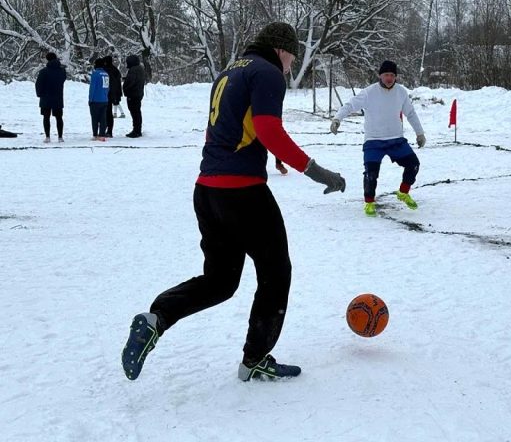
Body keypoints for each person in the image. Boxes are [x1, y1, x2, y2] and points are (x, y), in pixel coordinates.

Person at [121, 22, 346, 382]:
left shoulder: (230, 72)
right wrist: (318, 172)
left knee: (221, 281)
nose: (290, 65)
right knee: (276, 272)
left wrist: (271, 154)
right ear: (281, 49)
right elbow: (269, 129)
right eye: (292, 56)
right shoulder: (268, 73)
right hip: (243, 193)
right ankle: (255, 358)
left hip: (207, 190)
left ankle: (156, 318)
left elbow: (235, 128)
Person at [330, 60, 426, 216]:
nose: (389, 78)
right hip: (373, 141)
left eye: (392, 75)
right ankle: (369, 202)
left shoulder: (401, 92)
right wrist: (337, 119)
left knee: (414, 164)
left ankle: (403, 192)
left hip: (396, 140)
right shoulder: (369, 92)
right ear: (380, 76)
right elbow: (350, 105)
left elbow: (411, 113)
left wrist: (419, 133)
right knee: (371, 173)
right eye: (386, 75)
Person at [35, 52, 66, 143]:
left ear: (47, 59)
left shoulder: (44, 71)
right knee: (59, 117)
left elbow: (38, 84)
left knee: (46, 117)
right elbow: (63, 80)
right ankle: (60, 137)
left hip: (46, 97)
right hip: (58, 97)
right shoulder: (62, 71)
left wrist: (39, 94)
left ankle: (47, 136)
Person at [123, 54, 146, 137]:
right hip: (138, 93)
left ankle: (136, 130)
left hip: (133, 94)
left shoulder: (133, 70)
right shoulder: (140, 69)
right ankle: (137, 129)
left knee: (134, 113)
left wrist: (125, 88)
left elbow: (131, 82)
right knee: (137, 112)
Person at [88, 58, 110, 141]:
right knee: (103, 118)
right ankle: (102, 134)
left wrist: (90, 99)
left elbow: (92, 88)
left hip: (96, 100)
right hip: (104, 99)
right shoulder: (106, 74)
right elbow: (108, 87)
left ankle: (95, 134)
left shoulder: (95, 74)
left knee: (95, 118)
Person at [103, 55, 123, 138]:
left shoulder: (104, 70)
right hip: (113, 94)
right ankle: (109, 131)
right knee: (109, 113)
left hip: (105, 94)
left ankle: (104, 129)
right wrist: (118, 95)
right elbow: (118, 84)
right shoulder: (116, 70)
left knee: (104, 113)